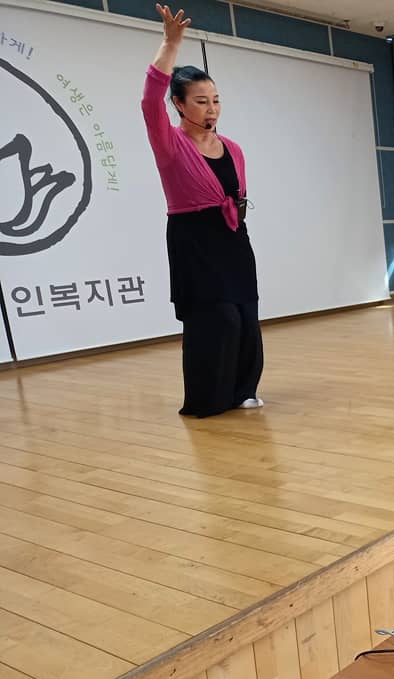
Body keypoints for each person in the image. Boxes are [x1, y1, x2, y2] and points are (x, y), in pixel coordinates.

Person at [142, 4, 263, 417]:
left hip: (234, 237)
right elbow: (149, 101)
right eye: (200, 101)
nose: (211, 109)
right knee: (217, 317)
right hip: (193, 240)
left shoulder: (234, 148)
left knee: (245, 314)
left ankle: (243, 390)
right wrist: (170, 44)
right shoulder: (170, 144)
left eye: (215, 100)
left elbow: (237, 197)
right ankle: (208, 400)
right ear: (179, 104)